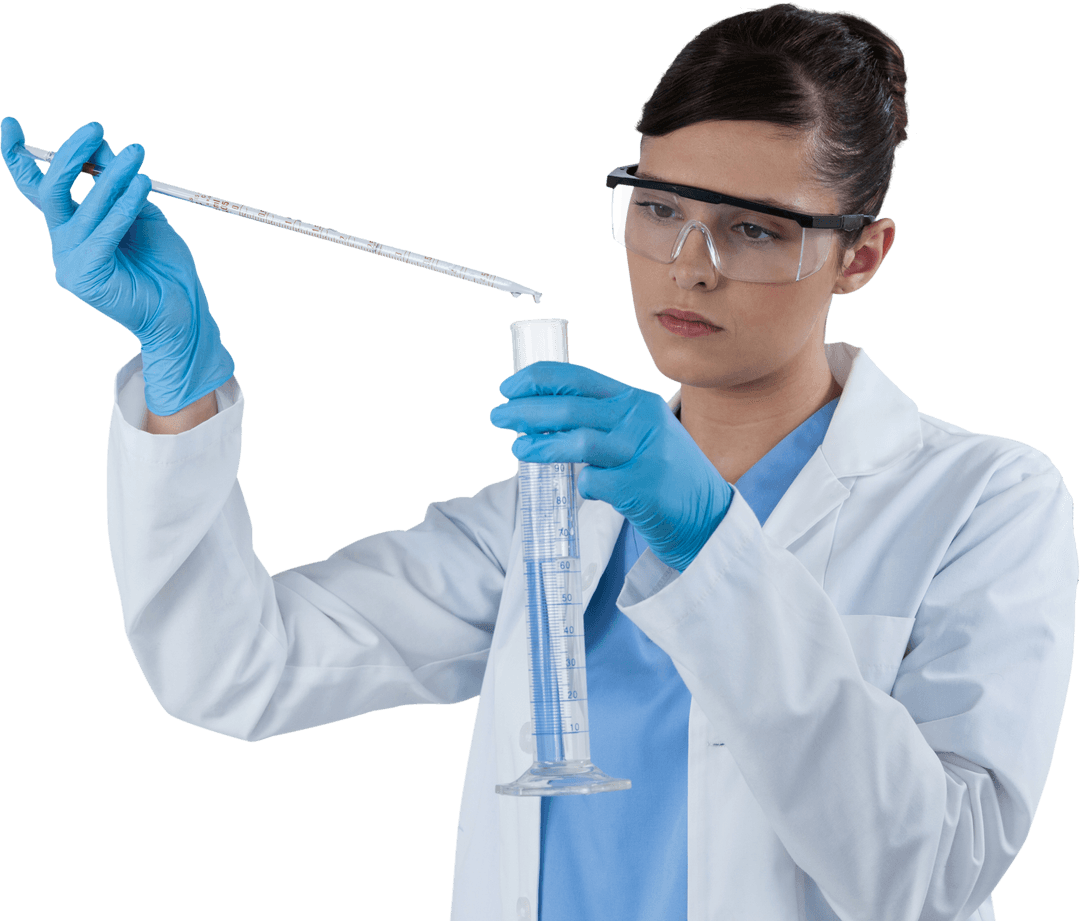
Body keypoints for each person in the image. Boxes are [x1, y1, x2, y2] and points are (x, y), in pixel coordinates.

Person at [2, 3, 1075, 919]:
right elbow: (236, 668)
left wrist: (712, 549)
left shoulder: (984, 499)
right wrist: (177, 364)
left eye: (752, 231)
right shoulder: (554, 513)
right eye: (658, 209)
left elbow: (932, 872)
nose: (685, 269)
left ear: (863, 253)